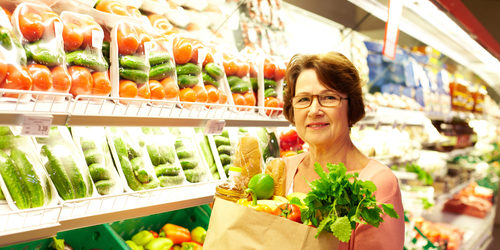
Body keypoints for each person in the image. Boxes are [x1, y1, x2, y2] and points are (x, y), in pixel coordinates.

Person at [282, 52, 405, 249]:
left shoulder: (377, 184)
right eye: (304, 99)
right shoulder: (285, 169)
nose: (314, 110)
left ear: (351, 107)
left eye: (329, 97)